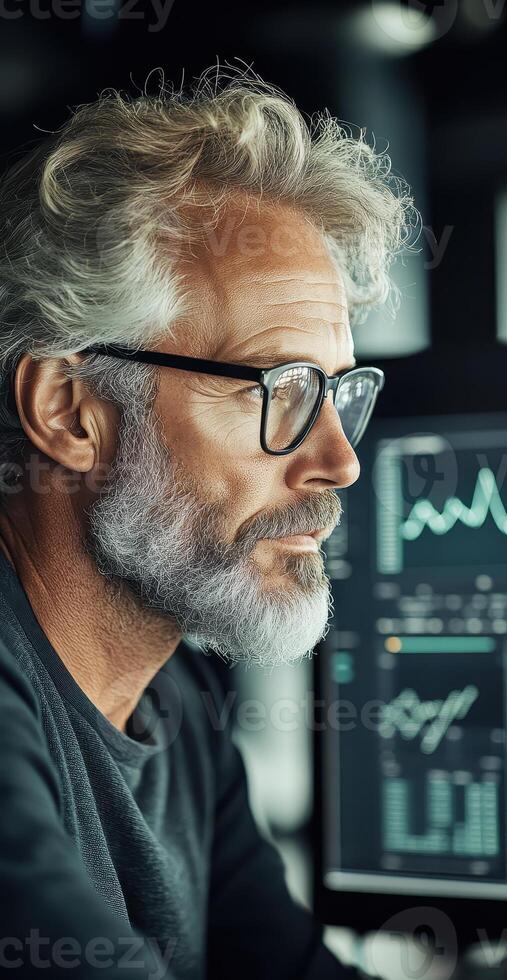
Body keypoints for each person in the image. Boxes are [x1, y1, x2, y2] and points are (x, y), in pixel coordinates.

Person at [0, 65, 412, 978]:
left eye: (339, 392)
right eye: (281, 389)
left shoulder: (176, 696)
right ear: (69, 411)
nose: (338, 460)